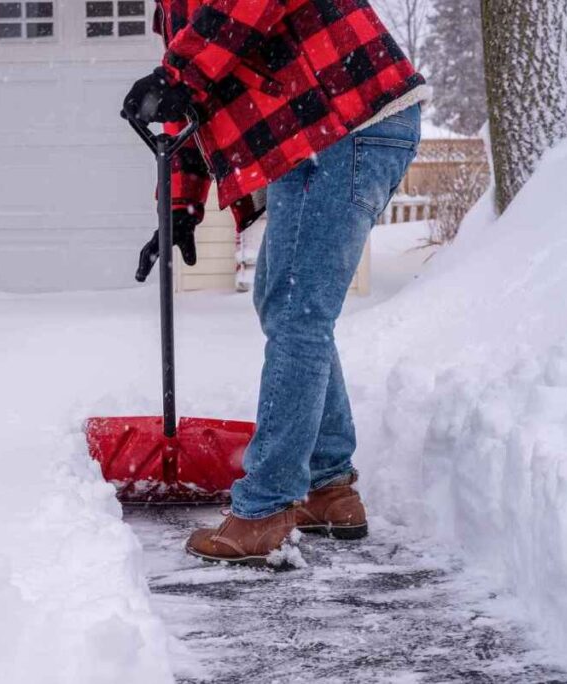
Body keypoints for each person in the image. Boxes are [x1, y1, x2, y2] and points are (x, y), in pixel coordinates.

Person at [123, 0, 430, 566]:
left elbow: (201, 59)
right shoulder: (175, 10)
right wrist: (180, 207)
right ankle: (327, 487)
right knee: (285, 304)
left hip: (349, 116)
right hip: (313, 130)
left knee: (297, 312)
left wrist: (177, 74)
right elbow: (190, 103)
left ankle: (266, 509)